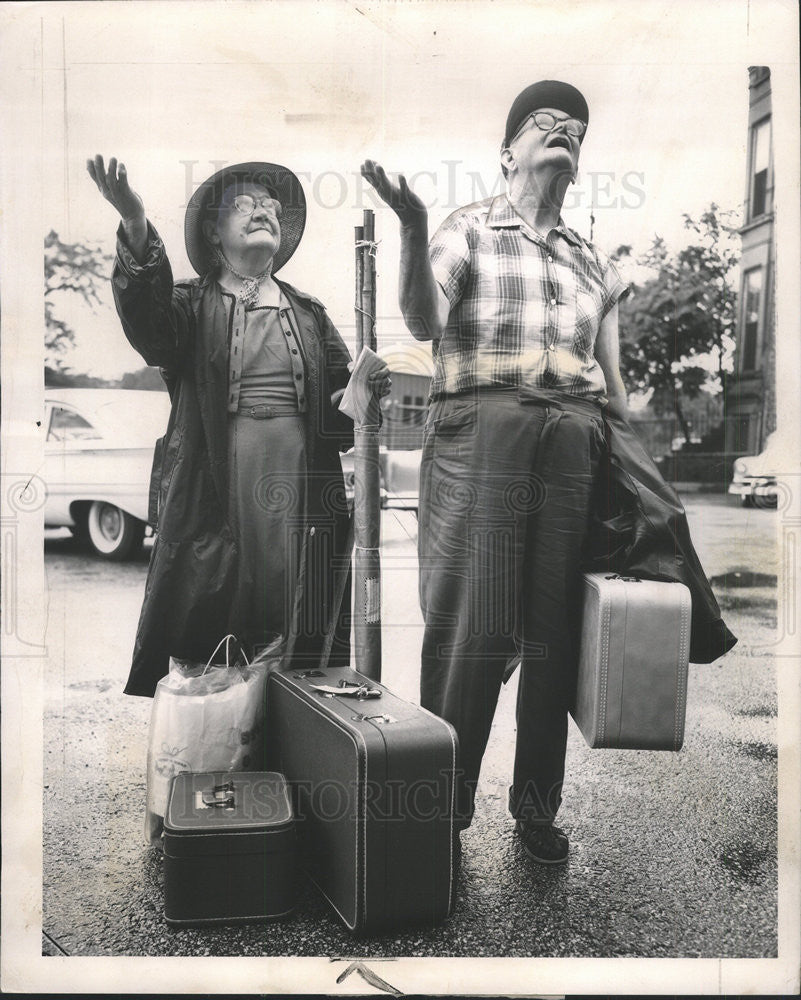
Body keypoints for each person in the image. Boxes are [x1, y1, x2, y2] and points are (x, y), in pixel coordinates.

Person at [362, 81, 629, 864]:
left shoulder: (590, 262)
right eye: (545, 124)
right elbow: (421, 324)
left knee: (552, 633)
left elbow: (612, 389)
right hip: (482, 430)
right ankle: (440, 816)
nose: (564, 133)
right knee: (470, 633)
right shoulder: (466, 230)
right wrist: (411, 225)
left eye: (575, 129)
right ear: (507, 150)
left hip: (572, 441)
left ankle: (536, 808)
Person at [87, 155, 390, 697]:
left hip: (299, 488)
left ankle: (295, 745)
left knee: (299, 615)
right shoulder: (188, 305)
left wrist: (365, 390)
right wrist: (134, 222)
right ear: (213, 230)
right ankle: (222, 746)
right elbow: (146, 323)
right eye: (245, 204)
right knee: (216, 611)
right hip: (215, 486)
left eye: (271, 205)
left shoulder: (309, 312)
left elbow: (340, 415)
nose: (263, 211)